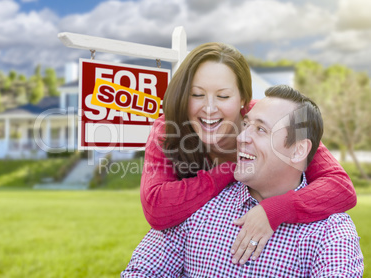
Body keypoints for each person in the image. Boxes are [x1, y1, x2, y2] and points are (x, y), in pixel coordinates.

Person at [139, 42, 357, 264]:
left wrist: (275, 210)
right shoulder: (168, 130)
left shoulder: (268, 119)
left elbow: (340, 187)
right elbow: (157, 207)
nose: (209, 108)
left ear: (243, 99)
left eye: (223, 96)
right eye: (197, 94)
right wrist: (234, 168)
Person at [122, 85, 364, 277]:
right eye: (246, 125)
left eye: (260, 130)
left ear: (299, 150)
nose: (241, 137)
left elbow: (341, 185)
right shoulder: (200, 204)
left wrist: (275, 210)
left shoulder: (331, 233)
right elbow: (141, 271)